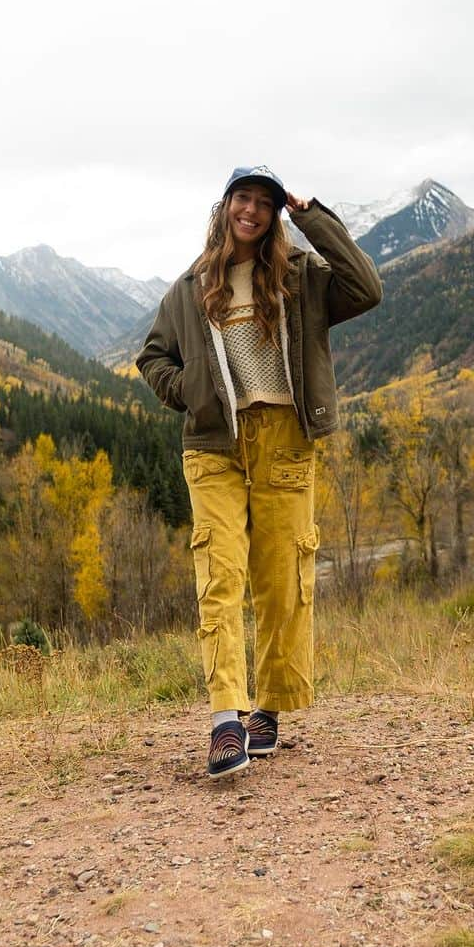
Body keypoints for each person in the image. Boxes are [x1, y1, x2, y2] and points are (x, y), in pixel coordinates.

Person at [136, 165, 382, 779]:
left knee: (283, 579)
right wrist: (188, 390)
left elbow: (367, 286)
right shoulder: (190, 287)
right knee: (220, 572)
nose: (252, 210)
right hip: (215, 444)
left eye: (264, 203)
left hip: (285, 440)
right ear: (224, 206)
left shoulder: (301, 279)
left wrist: (311, 214)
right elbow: (151, 354)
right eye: (243, 198)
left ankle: (267, 709)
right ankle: (226, 720)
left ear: (274, 215)